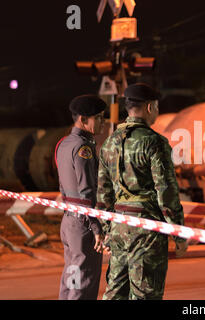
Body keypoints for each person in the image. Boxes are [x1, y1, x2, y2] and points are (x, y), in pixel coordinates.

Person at [96, 83, 187, 300]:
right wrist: (179, 233)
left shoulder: (109, 144)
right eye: (156, 106)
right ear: (149, 107)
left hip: (118, 226)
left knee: (115, 292)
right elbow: (166, 192)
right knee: (145, 294)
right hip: (146, 229)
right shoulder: (155, 142)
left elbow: (103, 193)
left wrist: (108, 229)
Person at [56, 94, 106, 300]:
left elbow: (63, 187)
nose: (104, 122)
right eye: (99, 117)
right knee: (83, 283)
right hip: (83, 225)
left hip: (68, 222)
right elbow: (87, 192)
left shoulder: (63, 143)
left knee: (71, 277)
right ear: (84, 120)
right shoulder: (84, 148)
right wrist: (96, 227)